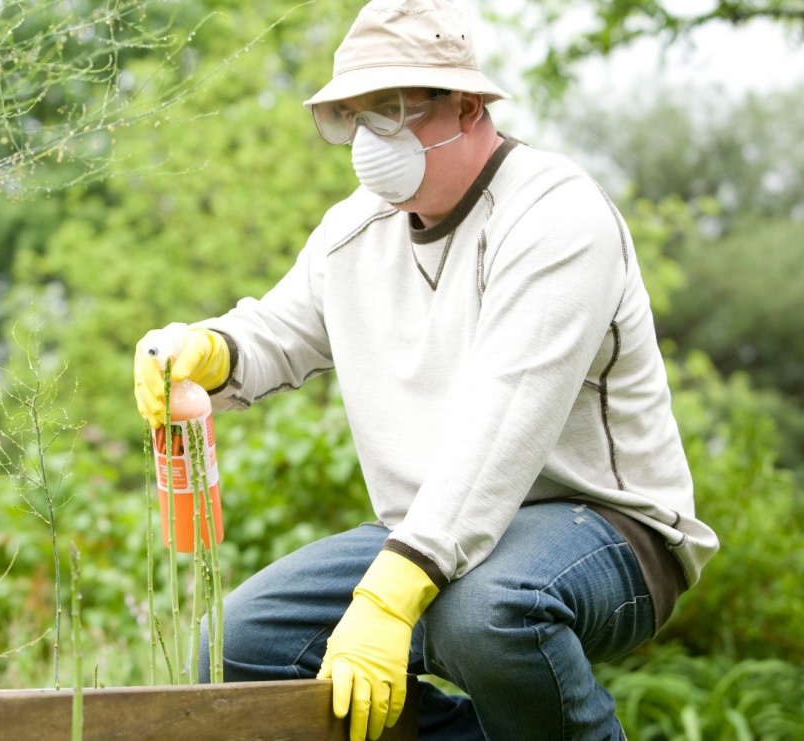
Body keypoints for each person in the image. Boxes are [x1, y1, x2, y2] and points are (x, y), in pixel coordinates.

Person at [132, 0, 719, 738]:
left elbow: (503, 429)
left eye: (394, 108)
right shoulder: (354, 229)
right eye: (355, 114)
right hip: (430, 532)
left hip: (605, 524)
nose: (369, 137)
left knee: (487, 613)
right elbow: (278, 330)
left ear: (468, 104)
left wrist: (386, 599)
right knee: (236, 651)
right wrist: (206, 350)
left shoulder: (555, 216)